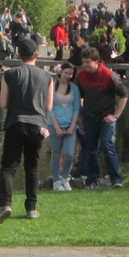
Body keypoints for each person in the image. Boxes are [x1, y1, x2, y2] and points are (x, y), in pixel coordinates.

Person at [0, 38, 54, 224]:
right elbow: (48, 106)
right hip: (37, 126)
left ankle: (5, 205)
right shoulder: (48, 77)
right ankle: (32, 208)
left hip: (15, 124)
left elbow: (3, 104)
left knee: (9, 167)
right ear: (37, 55)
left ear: (18, 55)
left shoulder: (9, 75)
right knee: (32, 167)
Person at [73, 45, 128, 188]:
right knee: (91, 149)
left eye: (87, 62)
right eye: (83, 62)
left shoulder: (109, 75)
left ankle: (115, 179)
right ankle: (93, 179)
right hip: (89, 117)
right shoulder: (81, 76)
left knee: (107, 144)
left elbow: (124, 95)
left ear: (96, 61)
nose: (84, 65)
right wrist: (80, 116)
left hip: (106, 117)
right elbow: (80, 96)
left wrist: (116, 115)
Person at [47, 62, 80, 191]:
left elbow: (76, 108)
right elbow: (49, 109)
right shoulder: (52, 86)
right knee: (56, 154)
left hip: (70, 125)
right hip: (55, 125)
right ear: (60, 72)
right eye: (66, 73)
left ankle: (65, 178)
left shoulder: (74, 88)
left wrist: (72, 126)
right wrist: (56, 127)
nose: (68, 76)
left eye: (70, 74)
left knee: (69, 154)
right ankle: (56, 181)